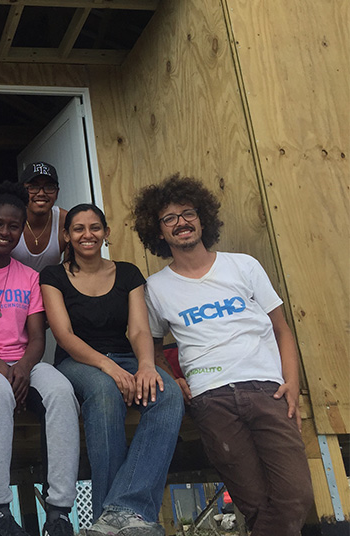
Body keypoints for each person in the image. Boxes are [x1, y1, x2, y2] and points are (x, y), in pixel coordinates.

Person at [133, 174, 313, 536]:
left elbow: (282, 329)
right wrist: (175, 378)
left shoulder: (242, 265)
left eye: (187, 213)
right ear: (159, 232)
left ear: (203, 218)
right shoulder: (155, 288)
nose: (181, 222)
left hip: (267, 390)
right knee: (253, 502)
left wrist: (291, 382)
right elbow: (151, 345)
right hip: (211, 399)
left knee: (296, 495)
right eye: (169, 218)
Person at [40, 203, 184, 536]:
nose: (87, 235)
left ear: (107, 232)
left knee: (167, 392)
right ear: (66, 236)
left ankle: (122, 510)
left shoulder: (129, 273)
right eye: (78, 229)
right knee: (105, 392)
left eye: (94, 228)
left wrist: (147, 365)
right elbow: (64, 335)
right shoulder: (53, 276)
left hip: (129, 358)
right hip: (79, 363)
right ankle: (111, 514)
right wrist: (109, 368)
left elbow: (138, 330)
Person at [0, 183, 80, 536]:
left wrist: (24, 369)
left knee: (60, 391)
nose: (5, 232)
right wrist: (0, 366)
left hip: (23, 360)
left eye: (13, 226)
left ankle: (59, 511)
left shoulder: (29, 277)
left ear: (21, 229)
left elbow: (39, 337)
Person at [11, 162, 68, 273]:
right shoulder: (9, 220)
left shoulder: (65, 221)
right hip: (12, 288)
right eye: (33, 187)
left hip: (50, 288)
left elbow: (72, 270)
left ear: (57, 193)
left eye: (49, 187)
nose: (41, 193)